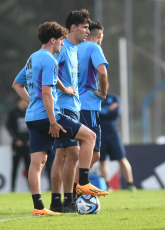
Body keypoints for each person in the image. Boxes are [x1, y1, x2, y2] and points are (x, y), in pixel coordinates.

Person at [12, 21, 108, 216]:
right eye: (61, 41)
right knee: (90, 137)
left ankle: (39, 207)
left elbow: (16, 84)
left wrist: (33, 102)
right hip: (49, 116)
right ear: (53, 40)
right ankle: (83, 183)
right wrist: (54, 122)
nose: (63, 45)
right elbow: (47, 93)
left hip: (32, 117)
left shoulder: (33, 58)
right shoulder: (50, 60)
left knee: (37, 162)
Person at [49, 9, 108, 214]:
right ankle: (73, 192)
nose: (87, 30)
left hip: (74, 108)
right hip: (63, 107)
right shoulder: (64, 48)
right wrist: (64, 89)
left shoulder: (75, 49)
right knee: (68, 154)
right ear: (73, 28)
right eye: (84, 27)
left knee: (68, 155)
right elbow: (49, 70)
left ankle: (64, 201)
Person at [74, 20, 109, 196]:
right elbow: (102, 71)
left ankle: (72, 192)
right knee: (94, 152)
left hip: (73, 105)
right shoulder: (94, 48)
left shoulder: (76, 48)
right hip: (88, 105)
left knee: (82, 153)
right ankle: (77, 188)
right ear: (100, 35)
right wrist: (103, 92)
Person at [99, 93, 136, 192]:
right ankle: (107, 186)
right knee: (101, 161)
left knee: (122, 159)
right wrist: (107, 109)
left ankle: (130, 184)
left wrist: (101, 111)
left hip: (113, 134)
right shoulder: (94, 98)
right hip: (100, 134)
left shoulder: (114, 98)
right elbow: (94, 114)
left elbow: (116, 113)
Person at [6, 98, 30, 192]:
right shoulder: (13, 113)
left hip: (27, 146)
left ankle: (31, 188)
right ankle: (12, 188)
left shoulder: (28, 112)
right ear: (20, 101)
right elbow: (9, 127)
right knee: (15, 167)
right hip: (17, 145)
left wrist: (30, 140)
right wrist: (16, 139)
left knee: (29, 168)